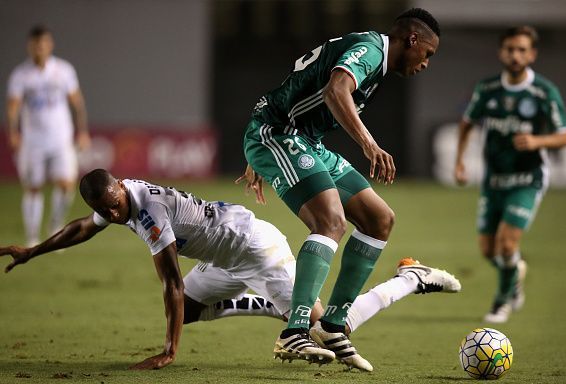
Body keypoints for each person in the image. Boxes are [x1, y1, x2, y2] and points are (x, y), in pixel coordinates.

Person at [0, 169, 461, 370]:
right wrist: (32, 251)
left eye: (116, 205)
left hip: (255, 248)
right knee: (195, 312)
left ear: (122, 187)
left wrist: (168, 351)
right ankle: (280, 314)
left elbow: (173, 285)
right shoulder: (118, 200)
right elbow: (84, 226)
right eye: (107, 209)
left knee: (327, 329)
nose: (113, 214)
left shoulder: (149, 212)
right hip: (224, 255)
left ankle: (410, 278)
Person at [237, 7, 440, 370]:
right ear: (412, 40)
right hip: (279, 134)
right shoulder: (372, 49)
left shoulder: (375, 64)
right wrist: (369, 145)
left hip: (305, 140)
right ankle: (294, 331)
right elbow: (335, 90)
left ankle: (332, 326)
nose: (426, 63)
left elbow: (300, 88)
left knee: (379, 219)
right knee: (330, 221)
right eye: (428, 53)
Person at [454, 26, 566, 323]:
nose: (515, 55)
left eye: (521, 50)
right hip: (494, 179)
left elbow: (565, 136)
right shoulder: (488, 88)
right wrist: (459, 162)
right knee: (487, 250)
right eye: (510, 49)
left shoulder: (544, 92)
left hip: (527, 178)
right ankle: (515, 272)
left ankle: (502, 302)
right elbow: (467, 123)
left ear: (532, 54)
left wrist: (537, 141)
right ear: (501, 52)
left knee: (507, 244)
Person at [5, 24, 90, 247]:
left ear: (50, 45)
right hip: (33, 142)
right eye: (35, 45)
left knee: (66, 184)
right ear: (29, 47)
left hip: (61, 139)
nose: (39, 49)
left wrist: (82, 131)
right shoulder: (21, 75)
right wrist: (13, 131)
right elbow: (13, 106)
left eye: (43, 44)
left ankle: (55, 224)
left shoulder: (64, 71)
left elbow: (77, 103)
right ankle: (32, 237)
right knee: (33, 187)